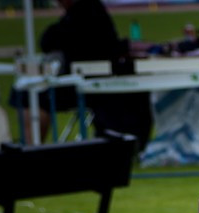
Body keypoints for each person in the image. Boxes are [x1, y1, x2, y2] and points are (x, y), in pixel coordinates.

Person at [11, 0, 121, 141]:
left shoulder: (85, 12)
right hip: (86, 80)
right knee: (30, 94)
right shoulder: (83, 11)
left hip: (87, 83)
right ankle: (31, 144)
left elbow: (50, 39)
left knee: (31, 96)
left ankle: (31, 146)